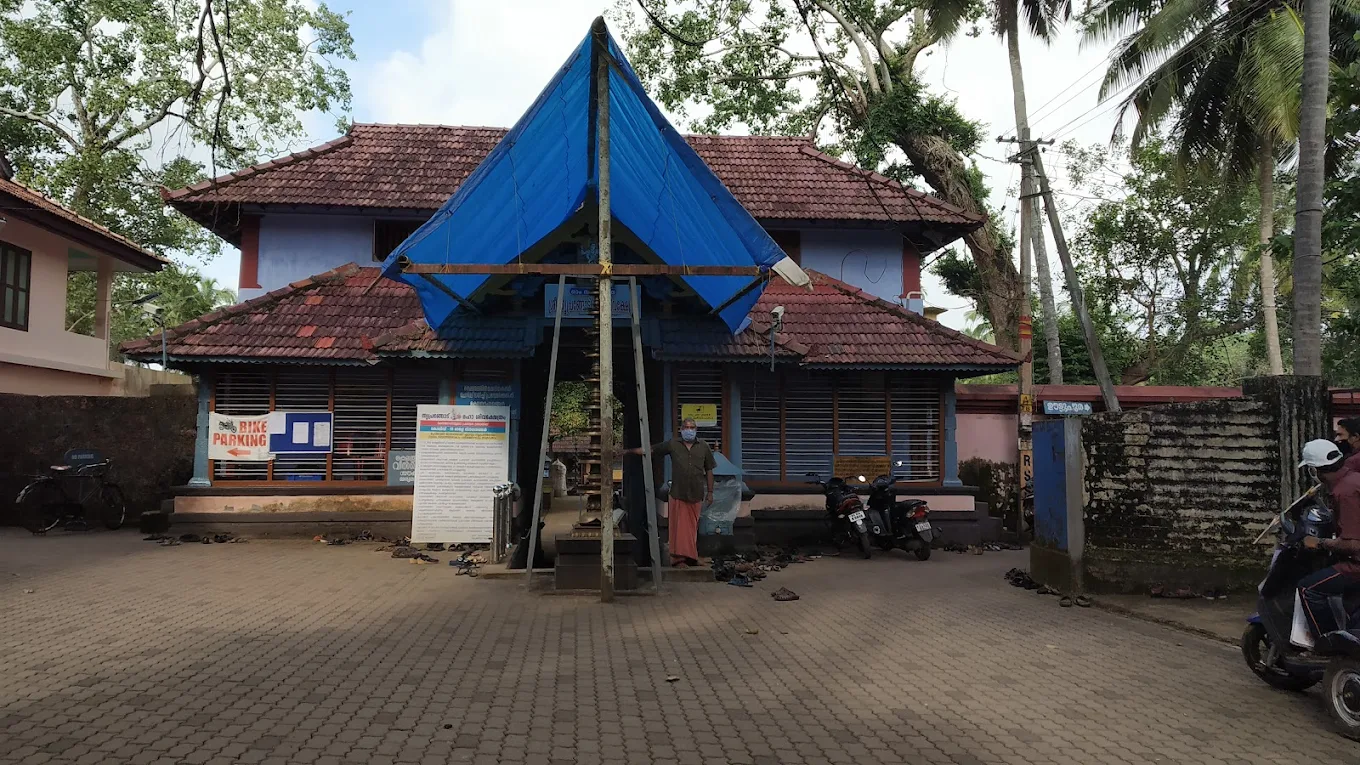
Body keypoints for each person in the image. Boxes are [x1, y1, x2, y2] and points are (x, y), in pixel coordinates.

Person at [624, 418, 715, 568]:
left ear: (696, 429)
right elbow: (650, 450)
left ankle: (692, 557)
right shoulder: (673, 444)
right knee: (678, 528)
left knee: (692, 528)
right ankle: (678, 559)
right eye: (686, 427)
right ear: (681, 429)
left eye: (692, 427)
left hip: (696, 493)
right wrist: (628, 451)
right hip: (678, 492)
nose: (689, 430)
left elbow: (710, 469)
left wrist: (710, 492)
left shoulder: (703, 446)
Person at [1299, 438, 1360, 637]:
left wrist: (1321, 543)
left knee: (1308, 589)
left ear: (1315, 470)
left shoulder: (1344, 492)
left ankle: (1328, 644)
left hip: (1356, 565)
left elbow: (1353, 544)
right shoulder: (1353, 479)